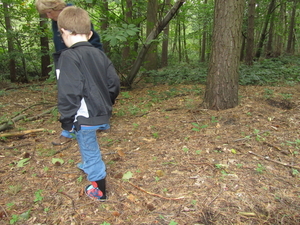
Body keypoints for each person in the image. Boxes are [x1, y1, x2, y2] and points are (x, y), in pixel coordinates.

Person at [53, 6, 120, 200]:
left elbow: (69, 93)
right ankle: (87, 164)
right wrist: (106, 103)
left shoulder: (69, 56)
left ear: (63, 32)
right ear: (90, 34)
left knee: (89, 147)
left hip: (84, 116)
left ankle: (99, 190)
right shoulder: (100, 54)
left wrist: (66, 121)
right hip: (101, 112)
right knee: (88, 143)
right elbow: (114, 83)